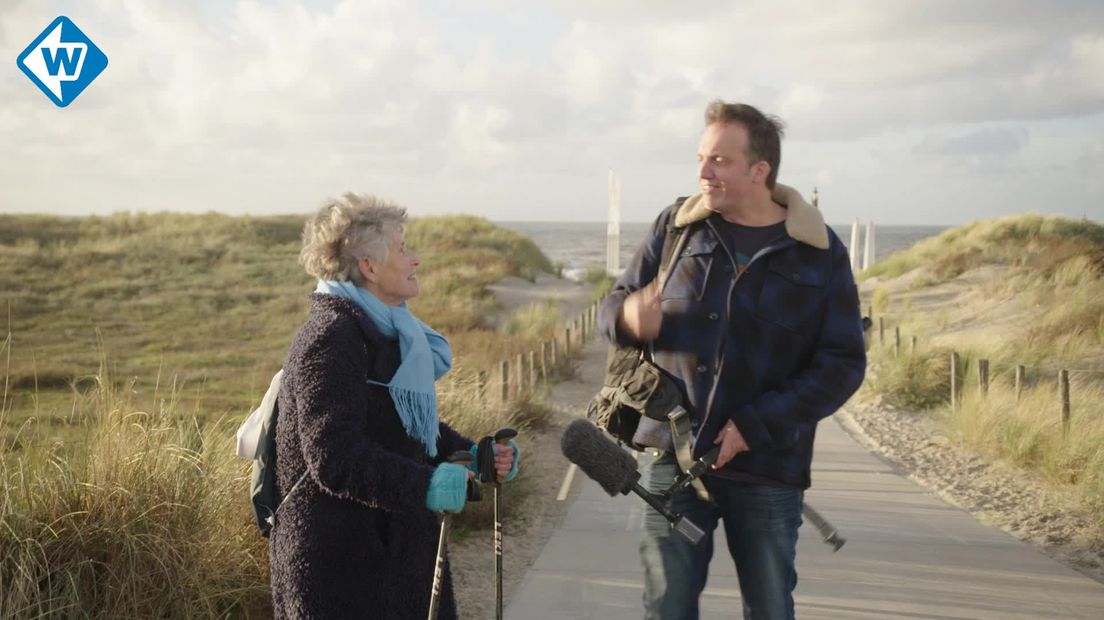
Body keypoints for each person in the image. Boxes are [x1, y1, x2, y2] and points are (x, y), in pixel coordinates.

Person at [598, 101, 866, 620]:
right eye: (701, 158)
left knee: (769, 608)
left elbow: (842, 364)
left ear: (759, 170)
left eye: (719, 160)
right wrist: (629, 316)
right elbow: (611, 306)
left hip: (768, 466)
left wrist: (756, 424)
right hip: (668, 458)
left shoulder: (818, 251)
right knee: (665, 608)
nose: (702, 172)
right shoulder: (675, 228)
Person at [269, 193, 519, 619]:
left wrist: (476, 456)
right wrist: (428, 485)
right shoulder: (330, 337)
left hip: (399, 555)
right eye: (402, 249)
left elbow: (402, 426)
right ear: (369, 266)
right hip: (339, 570)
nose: (414, 259)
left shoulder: (389, 330)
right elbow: (334, 458)